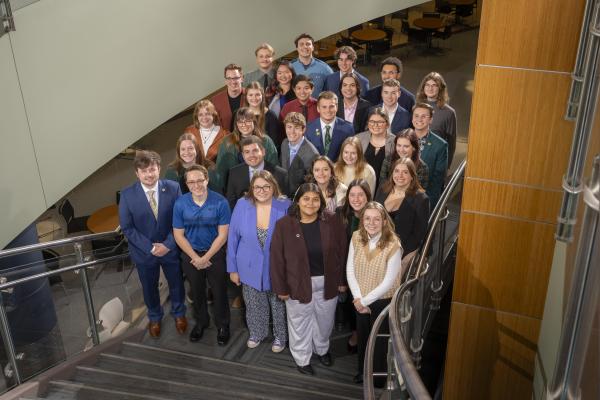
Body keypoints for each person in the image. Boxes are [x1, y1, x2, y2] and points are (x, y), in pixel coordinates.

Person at [270, 183, 347, 376]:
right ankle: (302, 358)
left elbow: (342, 250)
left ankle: (321, 349)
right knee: (299, 322)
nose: (310, 203)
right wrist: (281, 288)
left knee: (325, 320)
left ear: (321, 202)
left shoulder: (332, 220)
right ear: (297, 201)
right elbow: (276, 260)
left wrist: (342, 280)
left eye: (315, 199)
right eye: (306, 199)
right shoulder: (284, 225)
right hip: (297, 283)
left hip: (328, 281)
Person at [118, 150, 186, 338]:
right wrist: (150, 247)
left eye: (152, 169)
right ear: (137, 173)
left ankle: (179, 314)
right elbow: (127, 227)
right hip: (144, 252)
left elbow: (181, 220)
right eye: (144, 171)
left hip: (170, 248)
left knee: (177, 284)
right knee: (149, 287)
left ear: (159, 169)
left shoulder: (173, 188)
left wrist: (169, 244)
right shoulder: (127, 195)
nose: (149, 174)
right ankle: (155, 317)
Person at [227, 171, 291, 352]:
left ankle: (281, 336)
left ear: (273, 187)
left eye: (266, 186)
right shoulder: (242, 204)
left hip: (277, 267)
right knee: (253, 303)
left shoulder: (285, 205)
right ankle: (257, 332)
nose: (261, 190)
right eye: (257, 187)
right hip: (248, 265)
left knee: (279, 305)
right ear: (251, 189)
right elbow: (232, 238)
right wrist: (233, 269)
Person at [173, 165, 231, 345]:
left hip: (214, 253)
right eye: (191, 182)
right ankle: (201, 323)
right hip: (191, 255)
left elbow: (223, 234)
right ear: (186, 184)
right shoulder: (180, 203)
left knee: (219, 291)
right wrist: (195, 258)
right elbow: (178, 234)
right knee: (197, 292)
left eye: (199, 180)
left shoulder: (220, 202)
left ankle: (223, 325)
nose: (196, 184)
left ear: (207, 179)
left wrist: (206, 258)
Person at [346, 201, 403, 385]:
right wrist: (358, 298)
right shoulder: (356, 237)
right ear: (362, 220)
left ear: (384, 221)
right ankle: (362, 372)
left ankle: (377, 378)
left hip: (382, 301)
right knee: (363, 339)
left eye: (376, 219)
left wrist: (365, 301)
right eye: (367, 218)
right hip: (360, 299)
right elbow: (350, 270)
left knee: (379, 341)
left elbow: (388, 282)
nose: (371, 223)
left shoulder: (393, 244)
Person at [335, 179, 372, 354]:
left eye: (360, 195)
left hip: (369, 270)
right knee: (352, 304)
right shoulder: (340, 214)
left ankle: (367, 338)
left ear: (368, 196)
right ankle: (356, 333)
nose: (356, 199)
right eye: (352, 195)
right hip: (347, 268)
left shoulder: (375, 214)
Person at [375, 158, 429, 270]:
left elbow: (418, 235)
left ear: (412, 176)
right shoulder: (383, 189)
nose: (400, 175)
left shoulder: (420, 199)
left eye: (405, 172)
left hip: (402, 250)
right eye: (397, 171)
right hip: (377, 244)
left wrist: (400, 254)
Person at [214, 108, 279, 192]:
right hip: (237, 188)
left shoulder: (265, 140)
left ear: (254, 122)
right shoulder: (227, 142)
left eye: (248, 121)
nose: (244, 124)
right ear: (236, 124)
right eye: (240, 122)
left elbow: (273, 165)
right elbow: (221, 171)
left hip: (264, 187)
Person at [226, 135, 287, 210]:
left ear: (263, 152)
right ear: (243, 155)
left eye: (255, 151)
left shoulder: (280, 174)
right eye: (247, 152)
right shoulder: (234, 173)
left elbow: (283, 202)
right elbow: (231, 202)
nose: (251, 155)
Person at [416, 72, 457, 166]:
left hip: (435, 161)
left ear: (440, 89)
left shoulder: (449, 113)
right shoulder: (416, 107)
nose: (430, 88)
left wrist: (446, 165)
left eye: (434, 85)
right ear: (423, 87)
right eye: (427, 85)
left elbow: (451, 143)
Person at [412, 103, 448, 208]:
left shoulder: (440, 145)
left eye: (424, 116)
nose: (419, 119)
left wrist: (427, 202)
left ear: (431, 120)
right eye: (416, 116)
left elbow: (438, 178)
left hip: (424, 197)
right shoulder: (402, 138)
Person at [305, 91, 355, 162]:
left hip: (339, 170)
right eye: (324, 107)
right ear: (318, 109)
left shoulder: (348, 128)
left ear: (336, 107)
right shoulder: (309, 128)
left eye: (331, 106)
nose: (328, 110)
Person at [280, 112, 319, 197]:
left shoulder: (312, 154)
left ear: (303, 129)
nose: (292, 131)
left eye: (296, 128)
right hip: (283, 195)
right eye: (289, 127)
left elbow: (311, 184)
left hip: (300, 198)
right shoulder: (284, 143)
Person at [355, 108, 396, 188]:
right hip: (361, 186)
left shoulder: (395, 142)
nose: (375, 125)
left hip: (386, 188)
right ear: (368, 123)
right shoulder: (358, 139)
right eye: (372, 121)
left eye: (380, 122)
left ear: (387, 124)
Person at [246, 81, 284, 149]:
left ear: (262, 96)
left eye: (257, 95)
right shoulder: (239, 114)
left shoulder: (271, 116)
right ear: (246, 96)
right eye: (250, 95)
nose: (254, 98)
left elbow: (274, 144)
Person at [211, 64, 246, 132]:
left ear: (242, 78)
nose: (233, 82)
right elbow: (214, 125)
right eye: (229, 78)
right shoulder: (216, 100)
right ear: (225, 81)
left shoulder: (251, 96)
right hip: (226, 139)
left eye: (236, 78)